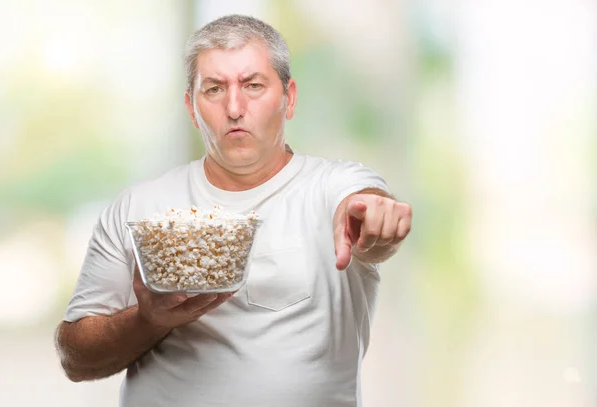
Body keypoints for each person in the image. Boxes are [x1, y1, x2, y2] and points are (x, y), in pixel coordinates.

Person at [55, 14, 412, 407]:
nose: (235, 107)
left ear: (288, 97)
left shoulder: (331, 188)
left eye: (253, 85)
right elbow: (75, 358)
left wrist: (377, 224)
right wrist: (147, 320)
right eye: (214, 89)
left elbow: (363, 210)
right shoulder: (137, 208)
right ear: (192, 108)